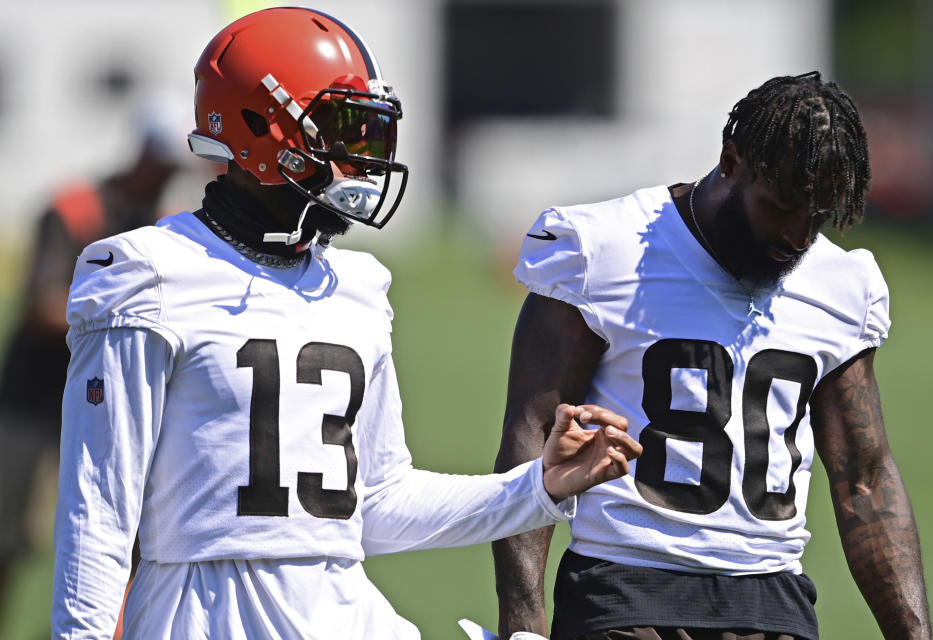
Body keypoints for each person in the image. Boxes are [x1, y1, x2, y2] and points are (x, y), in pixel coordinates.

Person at [50, 8, 645, 639]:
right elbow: (100, 509)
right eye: (343, 129)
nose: (362, 159)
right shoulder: (146, 271)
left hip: (340, 612)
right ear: (261, 127)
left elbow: (378, 504)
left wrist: (536, 486)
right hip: (201, 614)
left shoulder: (358, 286)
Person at [492, 72, 931, 640]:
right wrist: (522, 624)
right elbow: (531, 432)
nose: (799, 237)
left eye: (817, 217)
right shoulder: (602, 249)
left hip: (773, 602)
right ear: (732, 159)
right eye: (782, 206)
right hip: (625, 592)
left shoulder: (841, 284)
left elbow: (865, 480)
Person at [0, 100, 188, 601]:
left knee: (126, 534)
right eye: (162, 165)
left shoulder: (164, 223)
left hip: (108, 402)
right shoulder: (74, 209)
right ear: (142, 155)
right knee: (10, 535)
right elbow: (43, 304)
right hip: (35, 399)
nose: (167, 177)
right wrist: (121, 319)